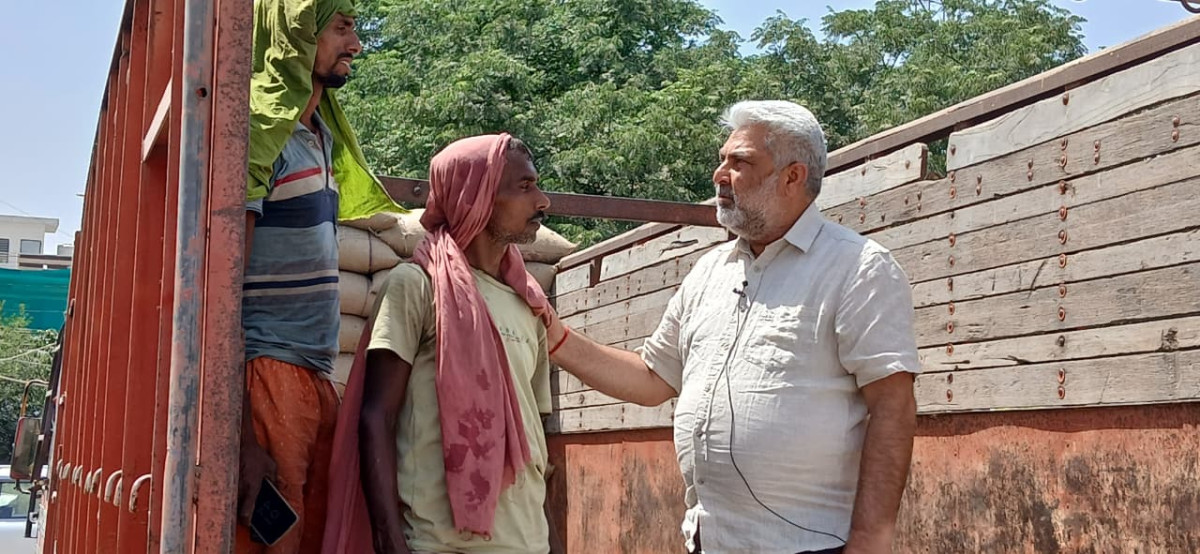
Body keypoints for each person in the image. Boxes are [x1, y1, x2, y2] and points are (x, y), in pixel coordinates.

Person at [547, 100, 920, 554]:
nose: (719, 174)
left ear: (793, 177)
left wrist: (870, 540)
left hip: (809, 545)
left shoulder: (858, 269)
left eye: (740, 162)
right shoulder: (709, 272)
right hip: (708, 541)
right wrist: (555, 337)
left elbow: (893, 406)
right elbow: (652, 378)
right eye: (722, 159)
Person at [327, 133, 557, 554]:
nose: (542, 201)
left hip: (527, 543)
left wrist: (553, 543)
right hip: (439, 543)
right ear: (477, 197)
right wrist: (388, 538)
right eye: (524, 187)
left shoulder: (529, 303)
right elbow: (376, 416)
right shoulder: (416, 286)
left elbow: (535, 442)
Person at [238, 0, 401, 552]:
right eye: (342, 28)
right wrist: (241, 434)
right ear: (297, 35)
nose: (356, 44)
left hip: (314, 372)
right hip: (269, 372)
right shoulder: (262, 136)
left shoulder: (319, 137)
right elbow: (222, 290)